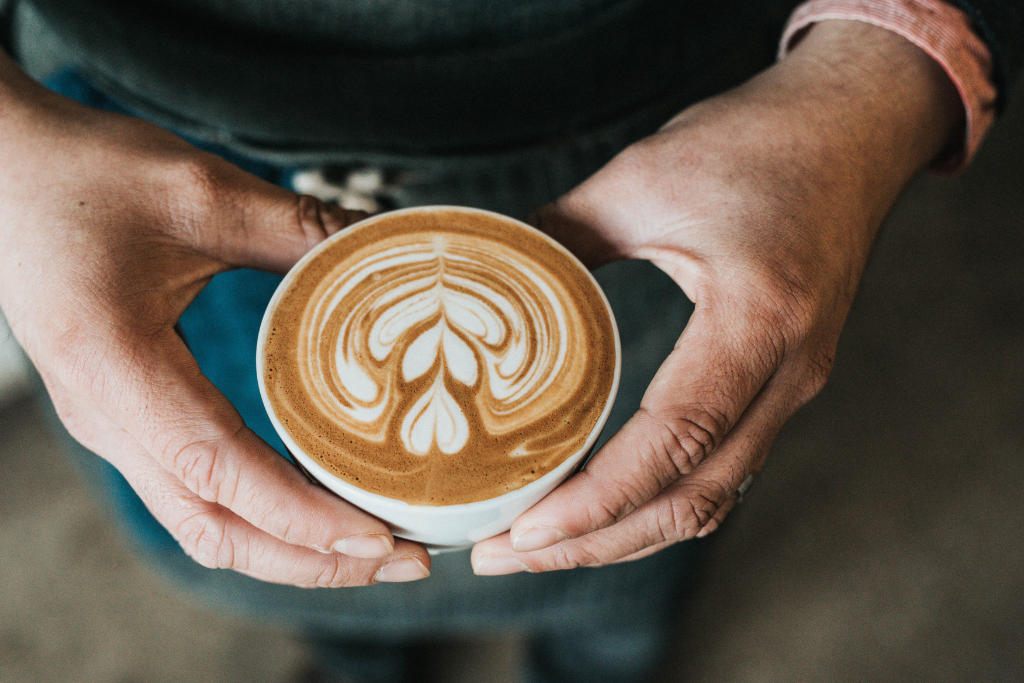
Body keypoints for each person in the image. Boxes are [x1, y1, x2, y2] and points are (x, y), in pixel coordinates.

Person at [0, 0, 1017, 681]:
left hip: (662, 136)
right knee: (276, 528)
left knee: (640, 513)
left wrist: (880, 75)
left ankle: (598, 660)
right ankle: (360, 657)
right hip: (129, 150)